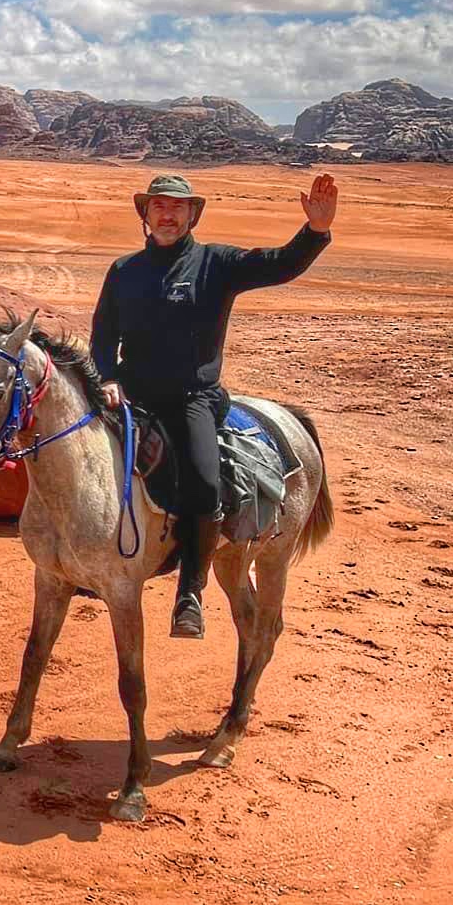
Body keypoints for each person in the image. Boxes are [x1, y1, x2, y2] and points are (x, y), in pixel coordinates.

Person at [89, 172, 338, 639]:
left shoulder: (215, 263)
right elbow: (103, 337)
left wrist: (315, 232)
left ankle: (190, 591)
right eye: (158, 206)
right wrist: (107, 377)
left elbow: (279, 264)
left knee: (204, 484)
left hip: (191, 400)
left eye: (177, 207)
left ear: (192, 215)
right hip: (133, 395)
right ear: (145, 214)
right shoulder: (124, 271)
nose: (167, 214)